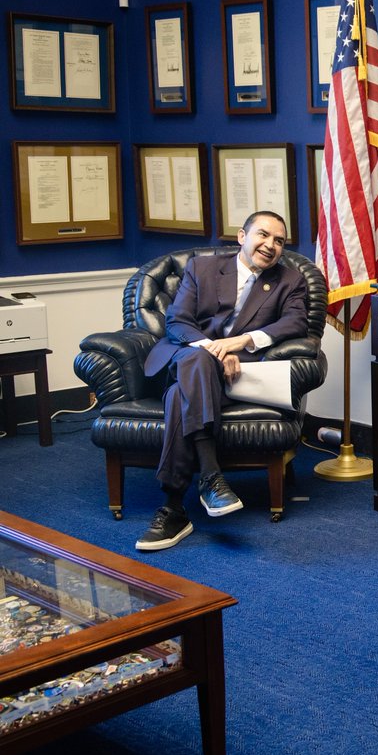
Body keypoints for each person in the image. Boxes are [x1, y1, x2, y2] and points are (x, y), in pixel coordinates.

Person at [137, 211, 308, 552]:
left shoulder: (290, 280)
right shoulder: (202, 268)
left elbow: (295, 324)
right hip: (186, 356)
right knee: (197, 360)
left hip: (233, 374)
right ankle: (211, 477)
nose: (270, 245)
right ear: (241, 237)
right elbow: (178, 321)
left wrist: (242, 342)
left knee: (177, 398)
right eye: (263, 235)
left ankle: (173, 508)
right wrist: (214, 351)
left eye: (279, 240)